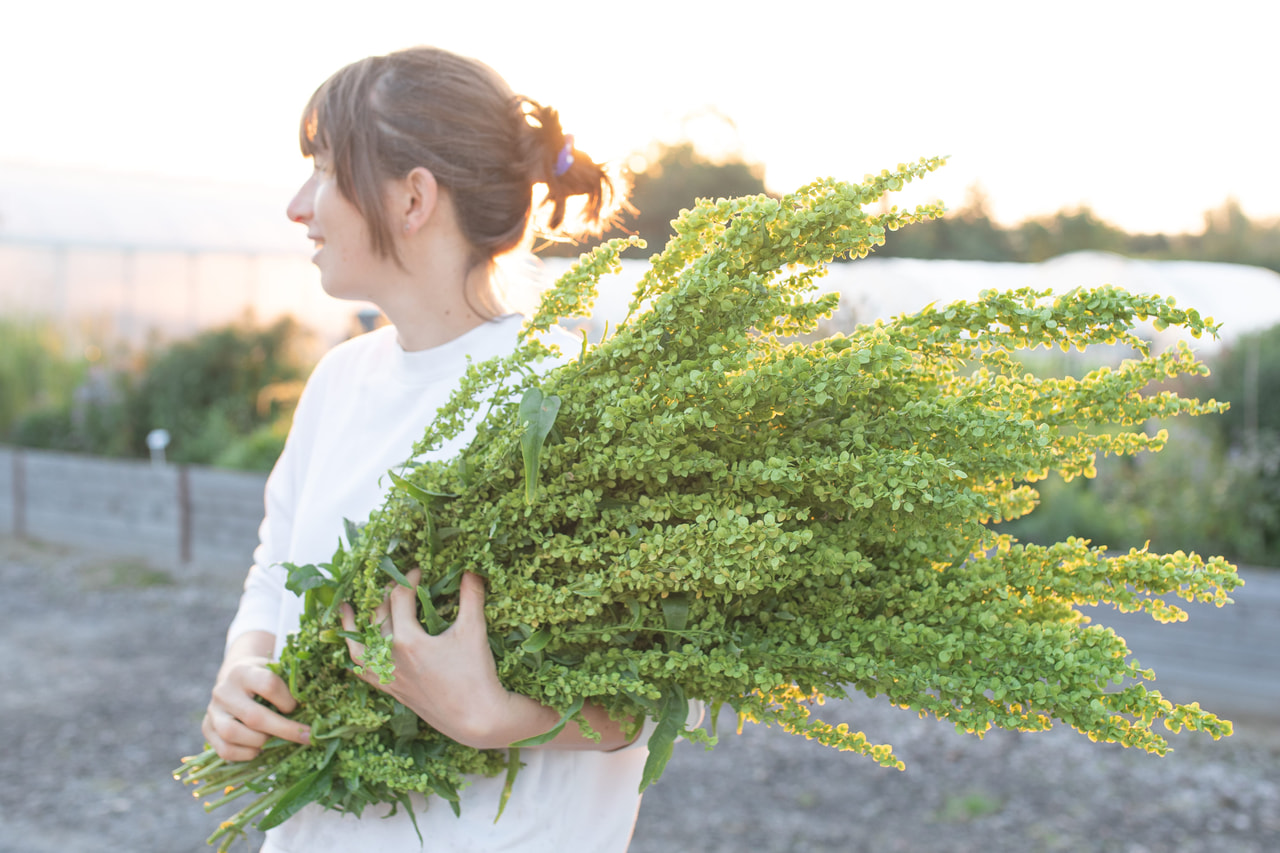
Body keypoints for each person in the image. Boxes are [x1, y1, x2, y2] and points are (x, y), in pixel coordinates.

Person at [203, 46, 653, 852]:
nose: (298, 206)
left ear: (413, 197)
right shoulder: (341, 380)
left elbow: (673, 686)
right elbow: (276, 569)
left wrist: (494, 716)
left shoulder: (568, 402)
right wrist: (246, 665)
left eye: (325, 170)